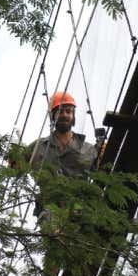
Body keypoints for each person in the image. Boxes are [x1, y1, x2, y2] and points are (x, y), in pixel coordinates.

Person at [26, 91, 98, 223]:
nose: (65, 115)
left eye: (69, 111)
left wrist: (104, 153)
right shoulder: (38, 147)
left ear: (73, 116)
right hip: (49, 210)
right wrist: (13, 159)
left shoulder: (88, 149)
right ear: (53, 115)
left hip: (81, 211)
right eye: (60, 111)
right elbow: (15, 166)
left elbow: (104, 175)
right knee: (50, 223)